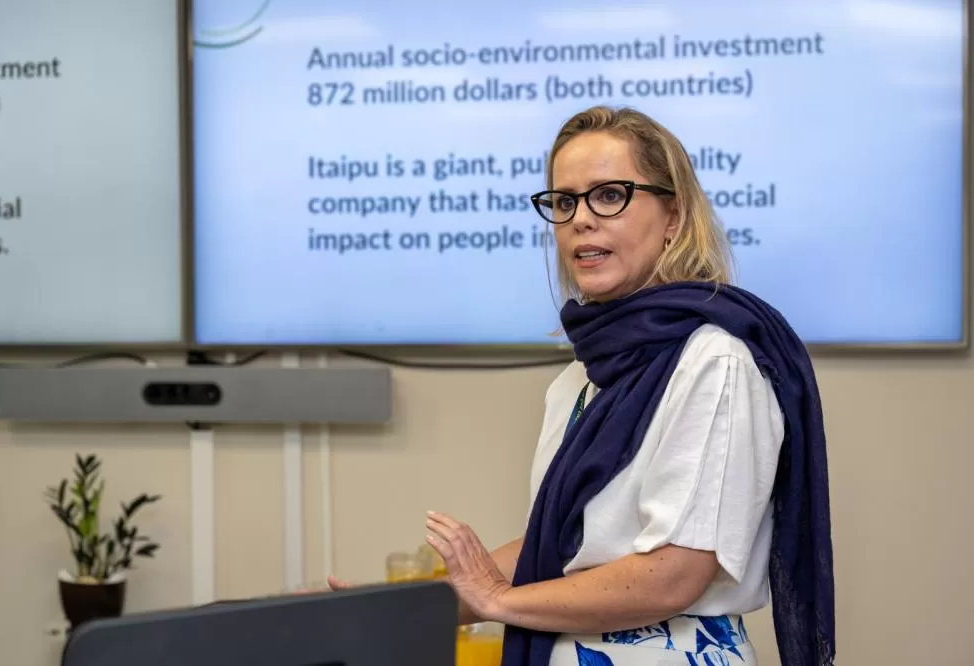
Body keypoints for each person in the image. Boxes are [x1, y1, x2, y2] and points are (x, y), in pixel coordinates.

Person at [331, 105, 836, 666]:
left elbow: (674, 574)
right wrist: (388, 609)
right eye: (565, 201)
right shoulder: (578, 376)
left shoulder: (714, 362)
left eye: (609, 195)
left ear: (674, 214)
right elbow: (565, 547)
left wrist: (499, 599)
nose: (581, 219)